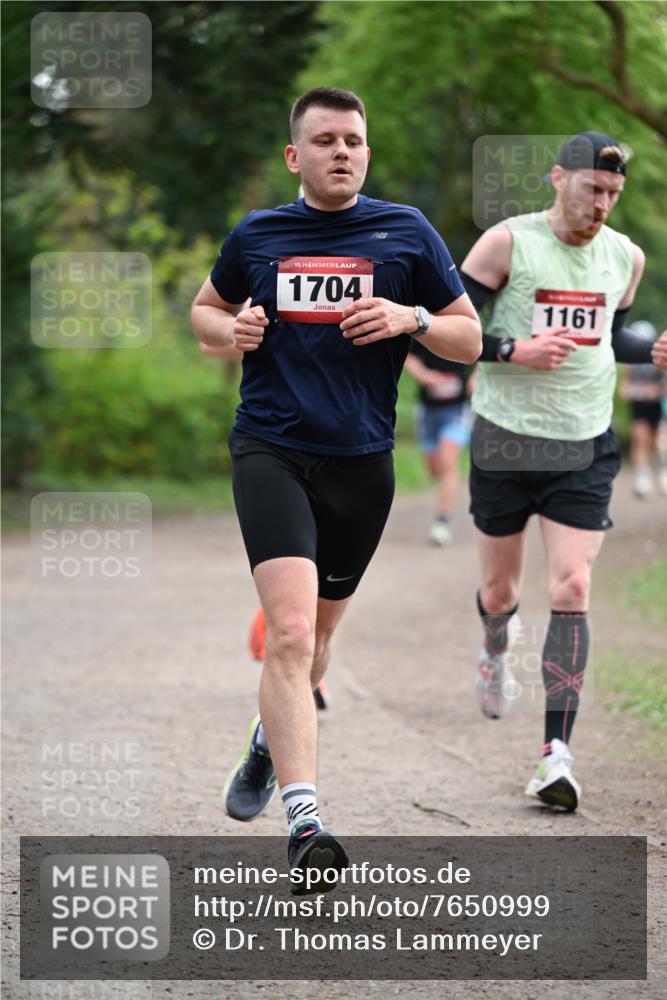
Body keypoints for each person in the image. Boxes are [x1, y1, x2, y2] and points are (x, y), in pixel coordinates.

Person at [191, 87, 481, 889]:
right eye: (324, 140)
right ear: (295, 156)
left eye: (353, 139)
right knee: (287, 634)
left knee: (316, 643)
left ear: (366, 151)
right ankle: (305, 824)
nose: (341, 151)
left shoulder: (407, 231)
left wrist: (411, 319)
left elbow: (468, 337)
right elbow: (205, 311)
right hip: (272, 449)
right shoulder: (258, 234)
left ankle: (266, 739)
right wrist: (231, 331)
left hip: (362, 462)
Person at [458, 131, 667, 811]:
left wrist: (650, 350)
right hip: (505, 438)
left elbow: (611, 333)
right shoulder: (505, 244)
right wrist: (511, 349)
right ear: (557, 179)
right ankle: (495, 645)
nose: (601, 205)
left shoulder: (625, 256)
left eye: (613, 193)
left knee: (572, 585)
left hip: (582, 442)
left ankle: (556, 755)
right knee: (499, 591)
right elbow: (446, 334)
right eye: (591, 189)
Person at [404, 341, 475, 545]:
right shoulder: (424, 330)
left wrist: (475, 379)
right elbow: (408, 356)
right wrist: (425, 375)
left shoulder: (464, 328)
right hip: (428, 411)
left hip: (457, 410)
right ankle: (447, 484)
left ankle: (442, 521)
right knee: (434, 469)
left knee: (447, 462)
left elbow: (483, 351)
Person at [619, 321, 667, 498]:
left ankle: (661, 472)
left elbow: (664, 383)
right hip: (639, 404)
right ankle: (642, 477)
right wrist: (630, 391)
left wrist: (656, 391)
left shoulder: (659, 357)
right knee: (639, 438)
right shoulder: (631, 363)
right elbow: (625, 385)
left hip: (657, 405)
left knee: (657, 441)